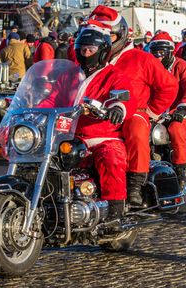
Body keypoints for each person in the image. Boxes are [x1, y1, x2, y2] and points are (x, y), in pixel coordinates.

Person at [38, 20, 136, 223]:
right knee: (42, 155)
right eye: (82, 49)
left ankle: (115, 214)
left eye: (90, 49)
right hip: (69, 135)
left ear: (102, 51)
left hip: (102, 136)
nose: (85, 53)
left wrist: (118, 108)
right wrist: (37, 110)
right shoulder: (69, 74)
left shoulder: (114, 75)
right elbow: (54, 97)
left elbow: (125, 97)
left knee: (112, 158)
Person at [88, 5, 178, 207]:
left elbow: (169, 86)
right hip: (94, 111)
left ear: (119, 35)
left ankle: (134, 185)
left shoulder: (141, 58)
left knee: (136, 130)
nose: (101, 39)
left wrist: (151, 110)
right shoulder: (90, 58)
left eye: (107, 35)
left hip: (131, 112)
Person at [149, 31, 186, 185]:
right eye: (154, 53)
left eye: (161, 53)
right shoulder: (149, 68)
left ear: (170, 52)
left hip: (177, 114)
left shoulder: (181, 66)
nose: (158, 56)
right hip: (154, 113)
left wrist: (183, 108)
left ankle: (181, 169)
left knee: (176, 129)